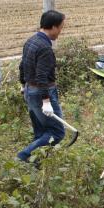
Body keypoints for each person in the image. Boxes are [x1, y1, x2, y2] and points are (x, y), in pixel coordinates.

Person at [17, 10, 66, 163]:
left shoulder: (31, 41)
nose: (60, 31)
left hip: (29, 90)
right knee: (57, 132)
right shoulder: (45, 48)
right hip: (41, 93)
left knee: (41, 131)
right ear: (52, 27)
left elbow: (22, 65)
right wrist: (46, 101)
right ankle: (24, 157)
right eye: (60, 27)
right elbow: (42, 76)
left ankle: (36, 164)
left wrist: (23, 84)